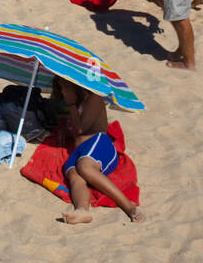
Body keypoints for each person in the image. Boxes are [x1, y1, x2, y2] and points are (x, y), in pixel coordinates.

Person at [50, 77, 143, 223]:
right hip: (80, 149)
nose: (63, 91)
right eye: (61, 88)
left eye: (66, 87)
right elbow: (75, 129)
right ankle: (82, 210)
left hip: (98, 143)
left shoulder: (94, 98)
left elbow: (81, 129)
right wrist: (66, 131)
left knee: (84, 167)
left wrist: (72, 105)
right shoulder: (76, 104)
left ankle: (129, 208)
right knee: (74, 176)